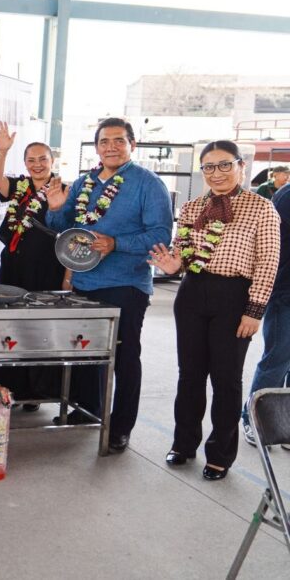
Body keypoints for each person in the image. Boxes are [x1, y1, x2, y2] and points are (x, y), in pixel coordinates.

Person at [148, 141, 279, 480]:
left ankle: (220, 454)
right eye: (209, 166)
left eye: (224, 165)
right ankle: (183, 443)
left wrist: (254, 310)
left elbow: (268, 263)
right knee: (189, 375)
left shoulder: (261, 208)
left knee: (226, 379)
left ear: (241, 167)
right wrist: (173, 265)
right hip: (191, 293)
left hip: (234, 298)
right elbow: (182, 254)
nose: (216, 173)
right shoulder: (193, 207)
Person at [45, 117, 173, 454]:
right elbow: (62, 227)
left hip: (126, 283)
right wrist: (55, 207)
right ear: (96, 146)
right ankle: (88, 408)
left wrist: (116, 243)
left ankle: (121, 426)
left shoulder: (148, 184)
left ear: (133, 144)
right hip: (85, 280)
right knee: (86, 350)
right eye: (104, 141)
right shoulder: (84, 182)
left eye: (119, 140)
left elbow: (161, 234)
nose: (111, 147)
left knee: (124, 356)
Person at [0, 121, 68, 406]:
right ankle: (6, 387)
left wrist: (68, 276)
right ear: (24, 163)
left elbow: (71, 235)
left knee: (39, 327)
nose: (37, 165)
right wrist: (2, 151)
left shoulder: (64, 189)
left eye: (42, 159)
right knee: (10, 324)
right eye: (31, 160)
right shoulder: (19, 186)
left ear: (52, 161)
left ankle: (37, 391)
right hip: (13, 265)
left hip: (47, 268)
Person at [242, 178, 290, 450]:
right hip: (285, 295)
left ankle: (285, 425)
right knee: (276, 360)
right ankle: (255, 420)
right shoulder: (287, 197)